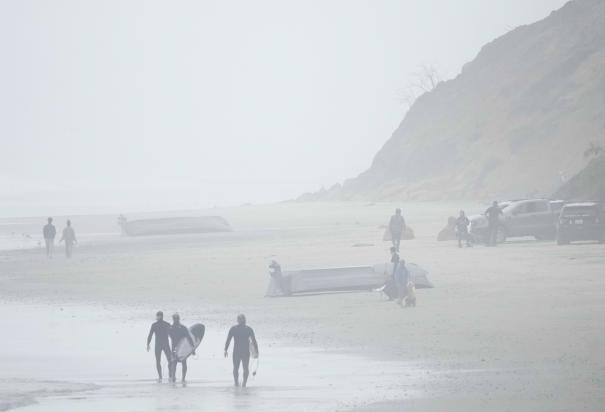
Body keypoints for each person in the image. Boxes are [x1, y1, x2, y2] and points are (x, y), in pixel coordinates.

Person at [224, 314, 259, 388]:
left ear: (238, 320)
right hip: (245, 351)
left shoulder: (234, 329)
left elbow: (228, 340)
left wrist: (225, 349)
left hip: (237, 351)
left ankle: (237, 383)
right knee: (245, 368)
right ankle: (244, 384)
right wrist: (256, 350)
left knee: (236, 368)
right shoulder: (248, 329)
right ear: (245, 320)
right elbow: (254, 341)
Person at [169, 313, 196, 384]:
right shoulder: (171, 328)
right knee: (174, 363)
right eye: (174, 319)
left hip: (182, 348)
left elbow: (189, 338)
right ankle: (174, 377)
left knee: (183, 363)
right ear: (173, 319)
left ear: (178, 319)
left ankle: (183, 378)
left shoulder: (182, 328)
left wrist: (193, 348)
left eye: (176, 319)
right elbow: (171, 338)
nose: (176, 320)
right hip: (175, 348)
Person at [147, 311, 172, 382]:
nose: (157, 317)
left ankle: (170, 375)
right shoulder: (154, 325)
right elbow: (150, 335)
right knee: (158, 361)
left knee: (170, 361)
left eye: (158, 316)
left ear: (161, 316)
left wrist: (175, 344)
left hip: (164, 345)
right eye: (157, 316)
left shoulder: (167, 324)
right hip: (159, 345)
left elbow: (172, 335)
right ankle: (160, 376)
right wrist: (148, 344)